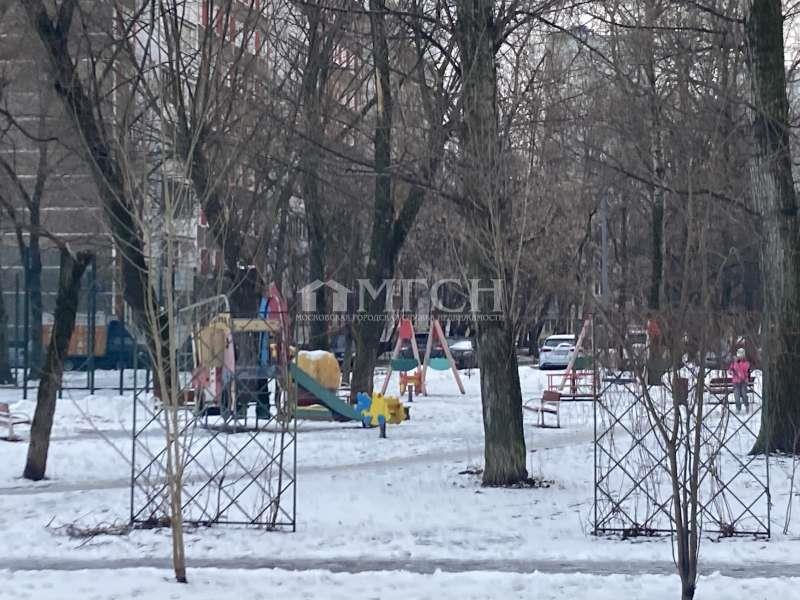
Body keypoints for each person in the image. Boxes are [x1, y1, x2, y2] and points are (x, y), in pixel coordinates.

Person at [728, 348, 751, 413]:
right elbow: (730, 370)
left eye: (742, 355)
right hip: (735, 382)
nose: (740, 357)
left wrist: (743, 377)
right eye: (739, 355)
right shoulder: (734, 363)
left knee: (744, 394)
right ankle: (738, 408)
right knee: (736, 396)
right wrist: (732, 372)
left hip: (743, 382)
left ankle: (747, 405)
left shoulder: (746, 363)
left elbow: (746, 371)